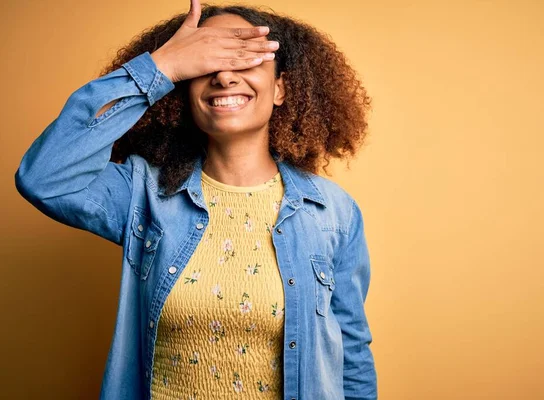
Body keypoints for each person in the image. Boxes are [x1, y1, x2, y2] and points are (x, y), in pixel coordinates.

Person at [15, 1, 377, 399]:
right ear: (184, 89)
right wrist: (161, 67)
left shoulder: (333, 213)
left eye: (243, 61)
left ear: (279, 89)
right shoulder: (142, 193)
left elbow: (351, 353)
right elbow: (44, 178)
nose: (223, 76)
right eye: (205, 64)